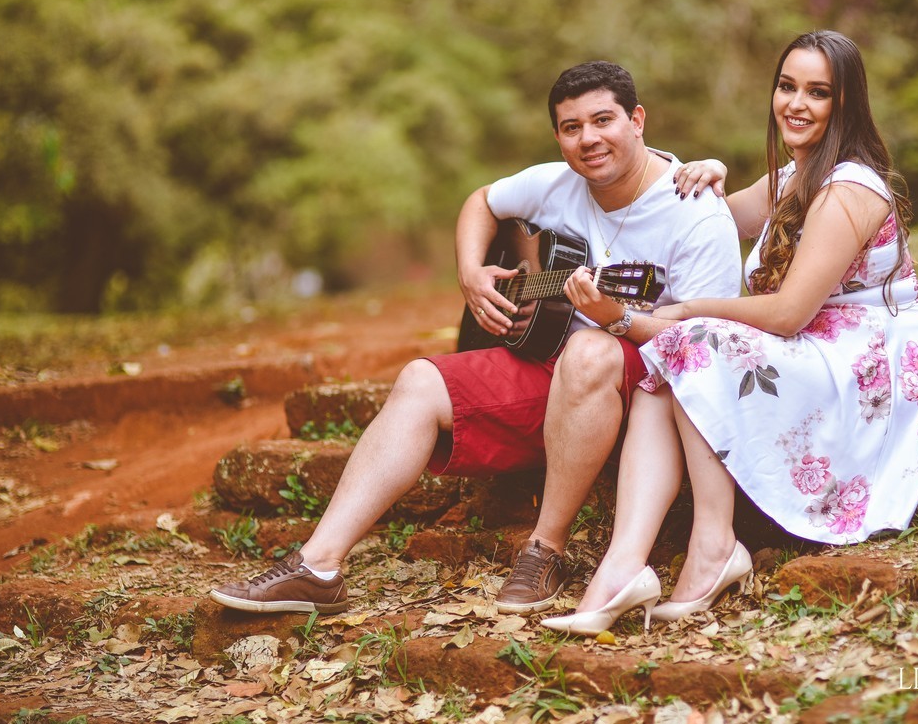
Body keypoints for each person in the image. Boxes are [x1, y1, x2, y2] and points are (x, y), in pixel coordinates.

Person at [209, 61, 741, 616]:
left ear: (637, 120)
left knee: (589, 352)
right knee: (420, 379)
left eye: (602, 120)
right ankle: (317, 567)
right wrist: (471, 273)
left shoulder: (694, 213)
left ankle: (544, 550)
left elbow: (703, 340)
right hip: (554, 367)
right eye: (571, 127)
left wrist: (616, 318)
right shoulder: (557, 184)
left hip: (646, 385)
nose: (588, 139)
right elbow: (483, 201)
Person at [541, 31, 918, 636]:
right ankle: (621, 569)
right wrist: (699, 171)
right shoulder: (793, 176)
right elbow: (704, 222)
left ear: (846, 103)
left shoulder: (851, 188)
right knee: (658, 377)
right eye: (787, 87)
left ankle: (714, 544)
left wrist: (687, 311)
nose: (797, 103)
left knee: (687, 340)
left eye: (818, 92)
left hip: (866, 357)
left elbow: (787, 313)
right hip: (816, 344)